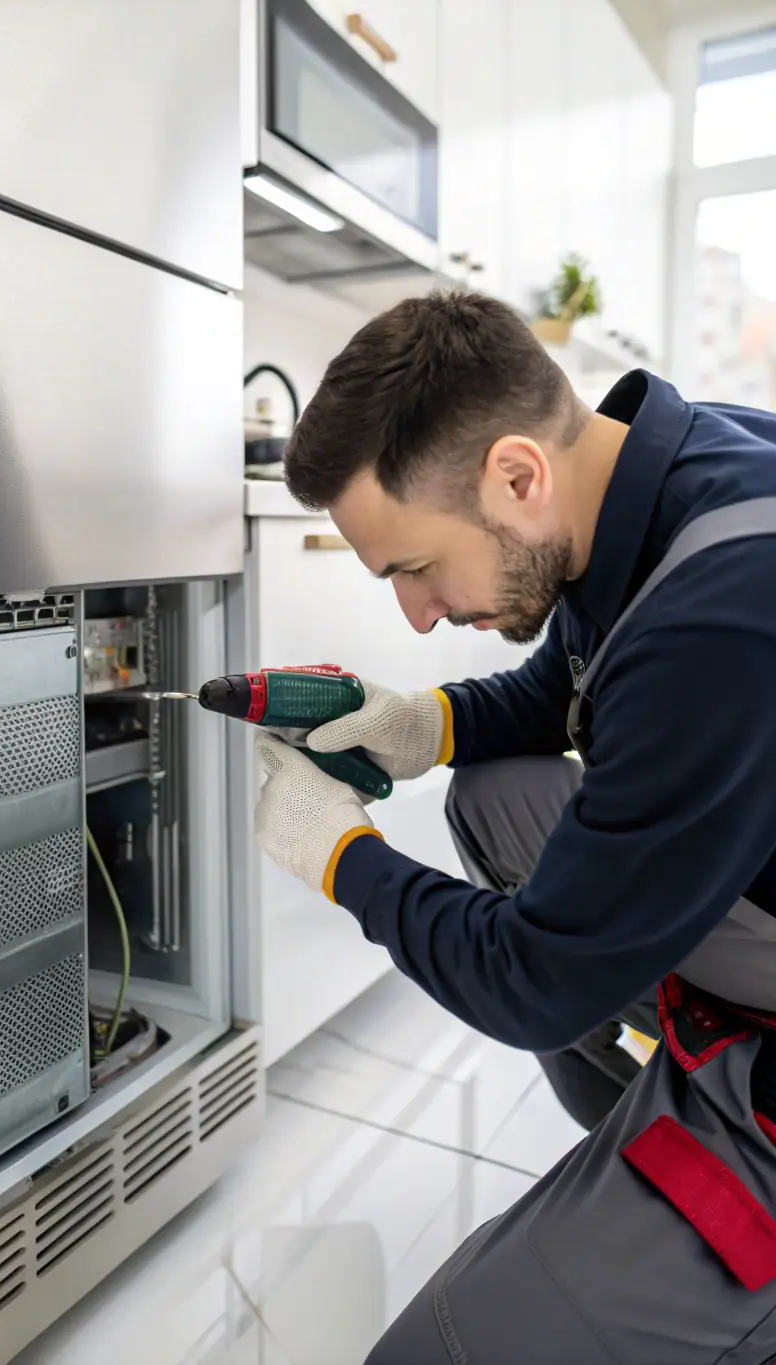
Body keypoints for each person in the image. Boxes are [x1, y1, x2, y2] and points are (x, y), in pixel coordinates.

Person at [252, 290, 776, 1364]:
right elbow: (569, 683)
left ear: (515, 475)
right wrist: (417, 723)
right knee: (492, 792)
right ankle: (639, 1163)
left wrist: (341, 859)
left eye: (412, 568)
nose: (416, 612)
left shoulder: (720, 616)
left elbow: (536, 979)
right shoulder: (652, 470)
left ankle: (714, 1208)